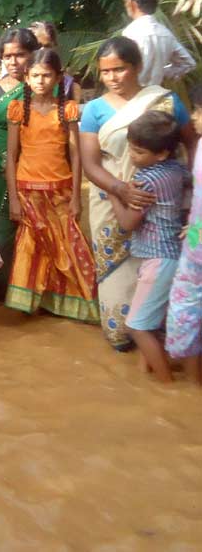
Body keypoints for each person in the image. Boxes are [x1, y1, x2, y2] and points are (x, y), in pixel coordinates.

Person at [79, 36, 196, 350]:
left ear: (138, 67)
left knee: (160, 264)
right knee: (116, 273)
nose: (113, 77)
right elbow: (90, 163)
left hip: (162, 201)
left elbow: (191, 142)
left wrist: (191, 193)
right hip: (110, 199)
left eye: (120, 69)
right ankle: (124, 334)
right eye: (106, 72)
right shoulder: (93, 110)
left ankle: (157, 335)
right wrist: (120, 189)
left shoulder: (165, 101)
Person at [3, 48, 99, 322]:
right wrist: (13, 198)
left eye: (47, 75)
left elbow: (76, 154)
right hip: (27, 189)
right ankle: (27, 303)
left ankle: (73, 303)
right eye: (35, 75)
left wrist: (77, 198)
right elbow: (11, 156)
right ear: (26, 78)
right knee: (30, 247)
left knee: (66, 245)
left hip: (61, 189)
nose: (41, 81)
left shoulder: (67, 110)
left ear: (59, 78)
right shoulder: (18, 109)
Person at [105, 112, 187, 380]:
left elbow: (128, 222)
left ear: (161, 153)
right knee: (149, 324)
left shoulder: (146, 181)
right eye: (130, 147)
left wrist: (113, 195)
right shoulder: (176, 170)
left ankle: (166, 385)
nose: (131, 156)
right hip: (172, 255)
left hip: (158, 259)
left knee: (137, 327)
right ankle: (145, 378)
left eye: (138, 152)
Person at [0, 28, 40, 301]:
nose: (13, 61)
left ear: (33, 55)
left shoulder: (43, 88)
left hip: (38, 171)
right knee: (0, 235)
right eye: (7, 56)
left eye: (20, 55)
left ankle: (31, 291)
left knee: (36, 231)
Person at [166, 89, 202, 385]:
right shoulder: (199, 145)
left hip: (197, 236)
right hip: (196, 235)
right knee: (186, 304)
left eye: (199, 111)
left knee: (186, 304)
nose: (194, 117)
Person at [122, 0, 196, 87]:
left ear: (133, 2)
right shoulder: (165, 34)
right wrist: (161, 72)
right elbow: (189, 64)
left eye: (125, 1)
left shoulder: (130, 33)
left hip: (134, 96)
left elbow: (123, 69)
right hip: (157, 95)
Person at [28, 21, 82, 101]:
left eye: (47, 46)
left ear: (54, 47)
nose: (42, 51)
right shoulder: (13, 83)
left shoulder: (69, 86)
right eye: (37, 46)